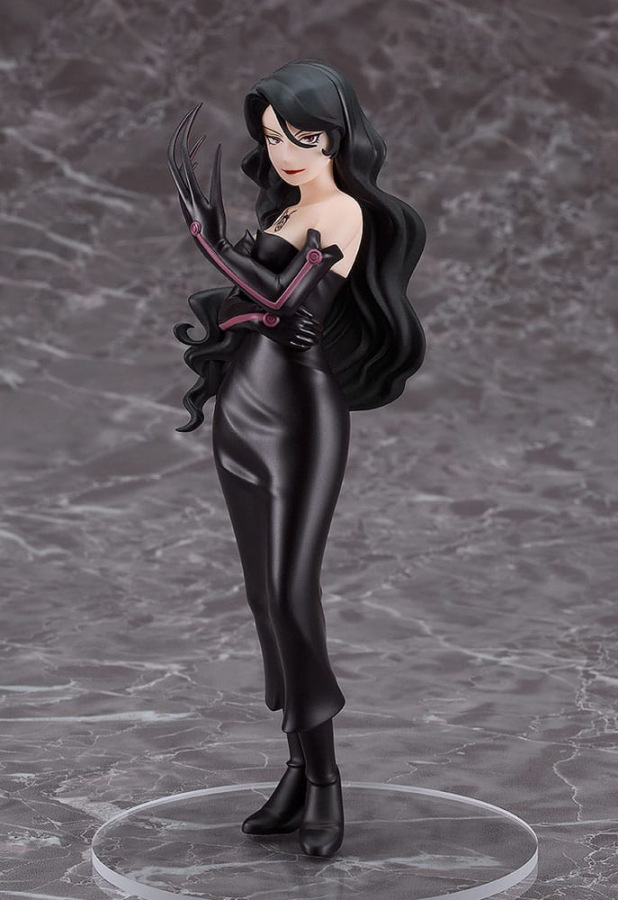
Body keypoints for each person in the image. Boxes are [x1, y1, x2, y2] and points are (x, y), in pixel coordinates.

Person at [167, 58, 426, 858]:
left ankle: (326, 784)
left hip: (301, 419)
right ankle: (296, 770)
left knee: (289, 591)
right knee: (262, 597)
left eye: (301, 138)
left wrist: (209, 241)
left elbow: (285, 309)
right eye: (273, 137)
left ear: (337, 136)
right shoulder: (288, 210)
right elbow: (254, 309)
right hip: (244, 412)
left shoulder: (341, 211)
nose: (284, 153)